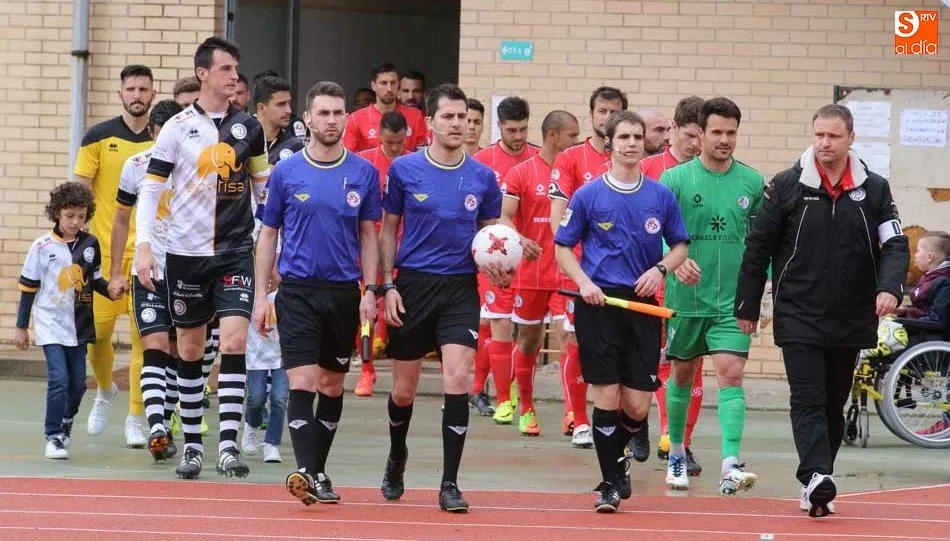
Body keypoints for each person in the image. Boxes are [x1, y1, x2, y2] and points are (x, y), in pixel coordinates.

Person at [735, 103, 909, 517]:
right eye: (818, 135)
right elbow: (758, 247)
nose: (824, 143)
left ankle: (817, 481)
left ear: (851, 139)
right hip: (799, 311)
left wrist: (890, 287)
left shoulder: (876, 189)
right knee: (808, 397)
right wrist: (747, 302)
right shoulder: (787, 184)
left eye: (833, 136)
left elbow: (895, 245)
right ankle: (816, 474)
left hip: (851, 313)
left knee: (834, 401)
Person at [135, 36, 270, 480]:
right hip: (186, 256)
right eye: (227, 69)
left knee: (233, 343)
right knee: (190, 350)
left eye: (236, 69)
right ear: (204, 74)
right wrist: (145, 246)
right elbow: (152, 187)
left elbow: (262, 188)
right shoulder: (176, 127)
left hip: (235, 252)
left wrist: (274, 246)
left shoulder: (249, 127)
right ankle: (192, 446)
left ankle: (228, 448)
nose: (235, 76)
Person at [379, 83, 506, 512]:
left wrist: (501, 270)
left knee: (458, 378)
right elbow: (388, 229)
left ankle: (449, 482)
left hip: (459, 289)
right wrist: (387, 285)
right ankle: (397, 457)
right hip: (412, 286)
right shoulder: (404, 171)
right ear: (430, 122)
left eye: (466, 119)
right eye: (449, 117)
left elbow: (492, 238)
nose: (459, 125)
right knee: (403, 391)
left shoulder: (484, 178)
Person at [554, 110, 690, 512]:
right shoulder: (588, 195)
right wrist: (584, 282)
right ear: (609, 144)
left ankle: (620, 455)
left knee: (637, 405)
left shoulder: (660, 195)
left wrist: (660, 268)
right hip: (599, 304)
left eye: (637, 137)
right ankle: (611, 482)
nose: (631, 143)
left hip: (642, 305)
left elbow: (680, 245)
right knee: (607, 397)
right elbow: (563, 246)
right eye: (624, 137)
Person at [254, 80, 381, 505]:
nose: (331, 120)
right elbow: (269, 234)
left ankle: (319, 471)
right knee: (303, 382)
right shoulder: (287, 172)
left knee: (331, 385)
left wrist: (371, 290)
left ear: (346, 117)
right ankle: (306, 473)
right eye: (322, 113)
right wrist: (260, 296)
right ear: (307, 119)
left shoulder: (363, 172)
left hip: (343, 293)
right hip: (298, 293)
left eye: (337, 113)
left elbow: (368, 236)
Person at [660, 97, 763, 495]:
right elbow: (654, 235)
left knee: (731, 374)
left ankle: (730, 463)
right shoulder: (674, 181)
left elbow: (761, 244)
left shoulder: (752, 183)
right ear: (699, 133)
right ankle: (677, 453)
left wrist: (761, 291)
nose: (724, 140)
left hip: (732, 302)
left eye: (731, 133)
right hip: (685, 300)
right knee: (683, 375)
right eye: (716, 132)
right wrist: (672, 263)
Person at [72, 64, 155, 447]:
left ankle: (136, 417)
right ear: (120, 94)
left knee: (144, 340)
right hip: (105, 258)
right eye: (131, 88)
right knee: (97, 337)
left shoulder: (163, 139)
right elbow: (78, 193)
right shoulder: (98, 137)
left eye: (143, 88)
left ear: (152, 94)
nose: (137, 95)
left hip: (149, 257)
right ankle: (105, 390)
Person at [549, 86, 627, 447]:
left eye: (614, 112)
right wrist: (572, 264)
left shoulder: (631, 160)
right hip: (580, 269)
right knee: (577, 340)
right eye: (602, 111)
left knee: (616, 346)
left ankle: (617, 420)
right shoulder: (570, 158)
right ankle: (578, 419)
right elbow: (557, 218)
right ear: (592, 115)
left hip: (621, 272)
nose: (607, 118)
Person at [109, 99, 185, 462]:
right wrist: (115, 270)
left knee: (177, 352)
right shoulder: (135, 166)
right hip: (149, 269)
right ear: (154, 132)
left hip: (189, 270)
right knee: (154, 345)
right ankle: (156, 425)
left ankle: (167, 422)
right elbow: (121, 218)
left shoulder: (195, 165)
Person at [16, 183, 114, 459]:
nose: (75, 222)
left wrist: (113, 289)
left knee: (79, 385)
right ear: (57, 213)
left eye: (81, 216)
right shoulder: (42, 246)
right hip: (50, 323)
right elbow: (28, 288)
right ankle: (54, 435)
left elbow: (95, 281)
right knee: (59, 379)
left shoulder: (90, 244)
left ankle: (67, 421)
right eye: (70, 215)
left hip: (80, 323)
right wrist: (21, 326)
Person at [499, 110, 579, 436]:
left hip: (564, 273)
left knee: (569, 339)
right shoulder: (521, 172)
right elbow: (503, 217)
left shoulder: (575, 171)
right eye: (571, 135)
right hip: (530, 274)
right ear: (553, 136)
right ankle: (527, 407)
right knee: (529, 342)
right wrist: (520, 238)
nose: (576, 141)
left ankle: (573, 414)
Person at [638, 95, 706, 472]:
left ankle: (678, 441)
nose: (697, 144)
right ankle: (633, 426)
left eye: (702, 136)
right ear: (674, 130)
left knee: (688, 364)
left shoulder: (712, 172)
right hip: (648, 278)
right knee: (644, 362)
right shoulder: (648, 168)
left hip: (694, 284)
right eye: (690, 135)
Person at [473, 96, 539, 422]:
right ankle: (501, 399)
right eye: (512, 129)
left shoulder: (539, 158)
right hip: (495, 260)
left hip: (532, 261)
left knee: (526, 332)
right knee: (497, 322)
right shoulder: (483, 161)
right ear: (499, 127)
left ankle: (516, 386)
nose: (518, 136)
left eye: (523, 128)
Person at [355, 111, 410, 397]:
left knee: (395, 309)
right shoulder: (364, 162)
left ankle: (398, 373)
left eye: (399, 142)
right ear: (379, 135)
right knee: (365, 312)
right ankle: (366, 372)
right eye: (389, 143)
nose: (394, 148)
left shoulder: (414, 163)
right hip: (367, 245)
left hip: (403, 246)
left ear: (407, 135)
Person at [343, 62, 427, 152]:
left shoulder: (416, 116)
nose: (389, 89)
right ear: (373, 85)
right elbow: (348, 156)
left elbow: (422, 155)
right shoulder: (356, 119)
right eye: (383, 83)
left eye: (393, 83)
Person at [253, 76, 305, 168]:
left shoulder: (296, 148)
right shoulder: (243, 143)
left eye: (289, 103)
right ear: (261, 108)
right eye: (281, 104)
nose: (289, 110)